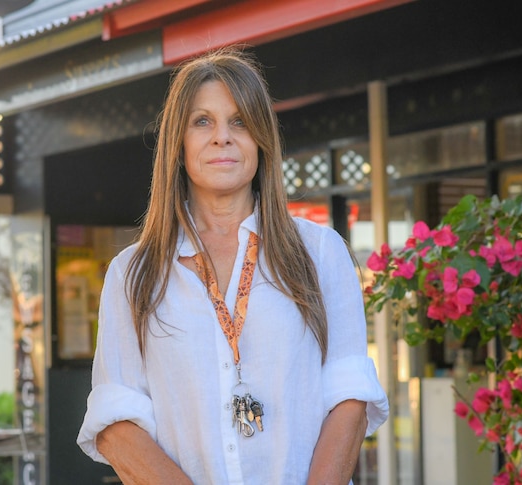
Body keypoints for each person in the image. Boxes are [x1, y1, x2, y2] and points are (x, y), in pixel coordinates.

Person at [77, 46, 389, 484]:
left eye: (239, 121)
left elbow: (349, 398)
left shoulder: (320, 252)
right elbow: (115, 422)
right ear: (178, 143)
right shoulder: (132, 274)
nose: (222, 136)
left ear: (261, 138)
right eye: (202, 121)